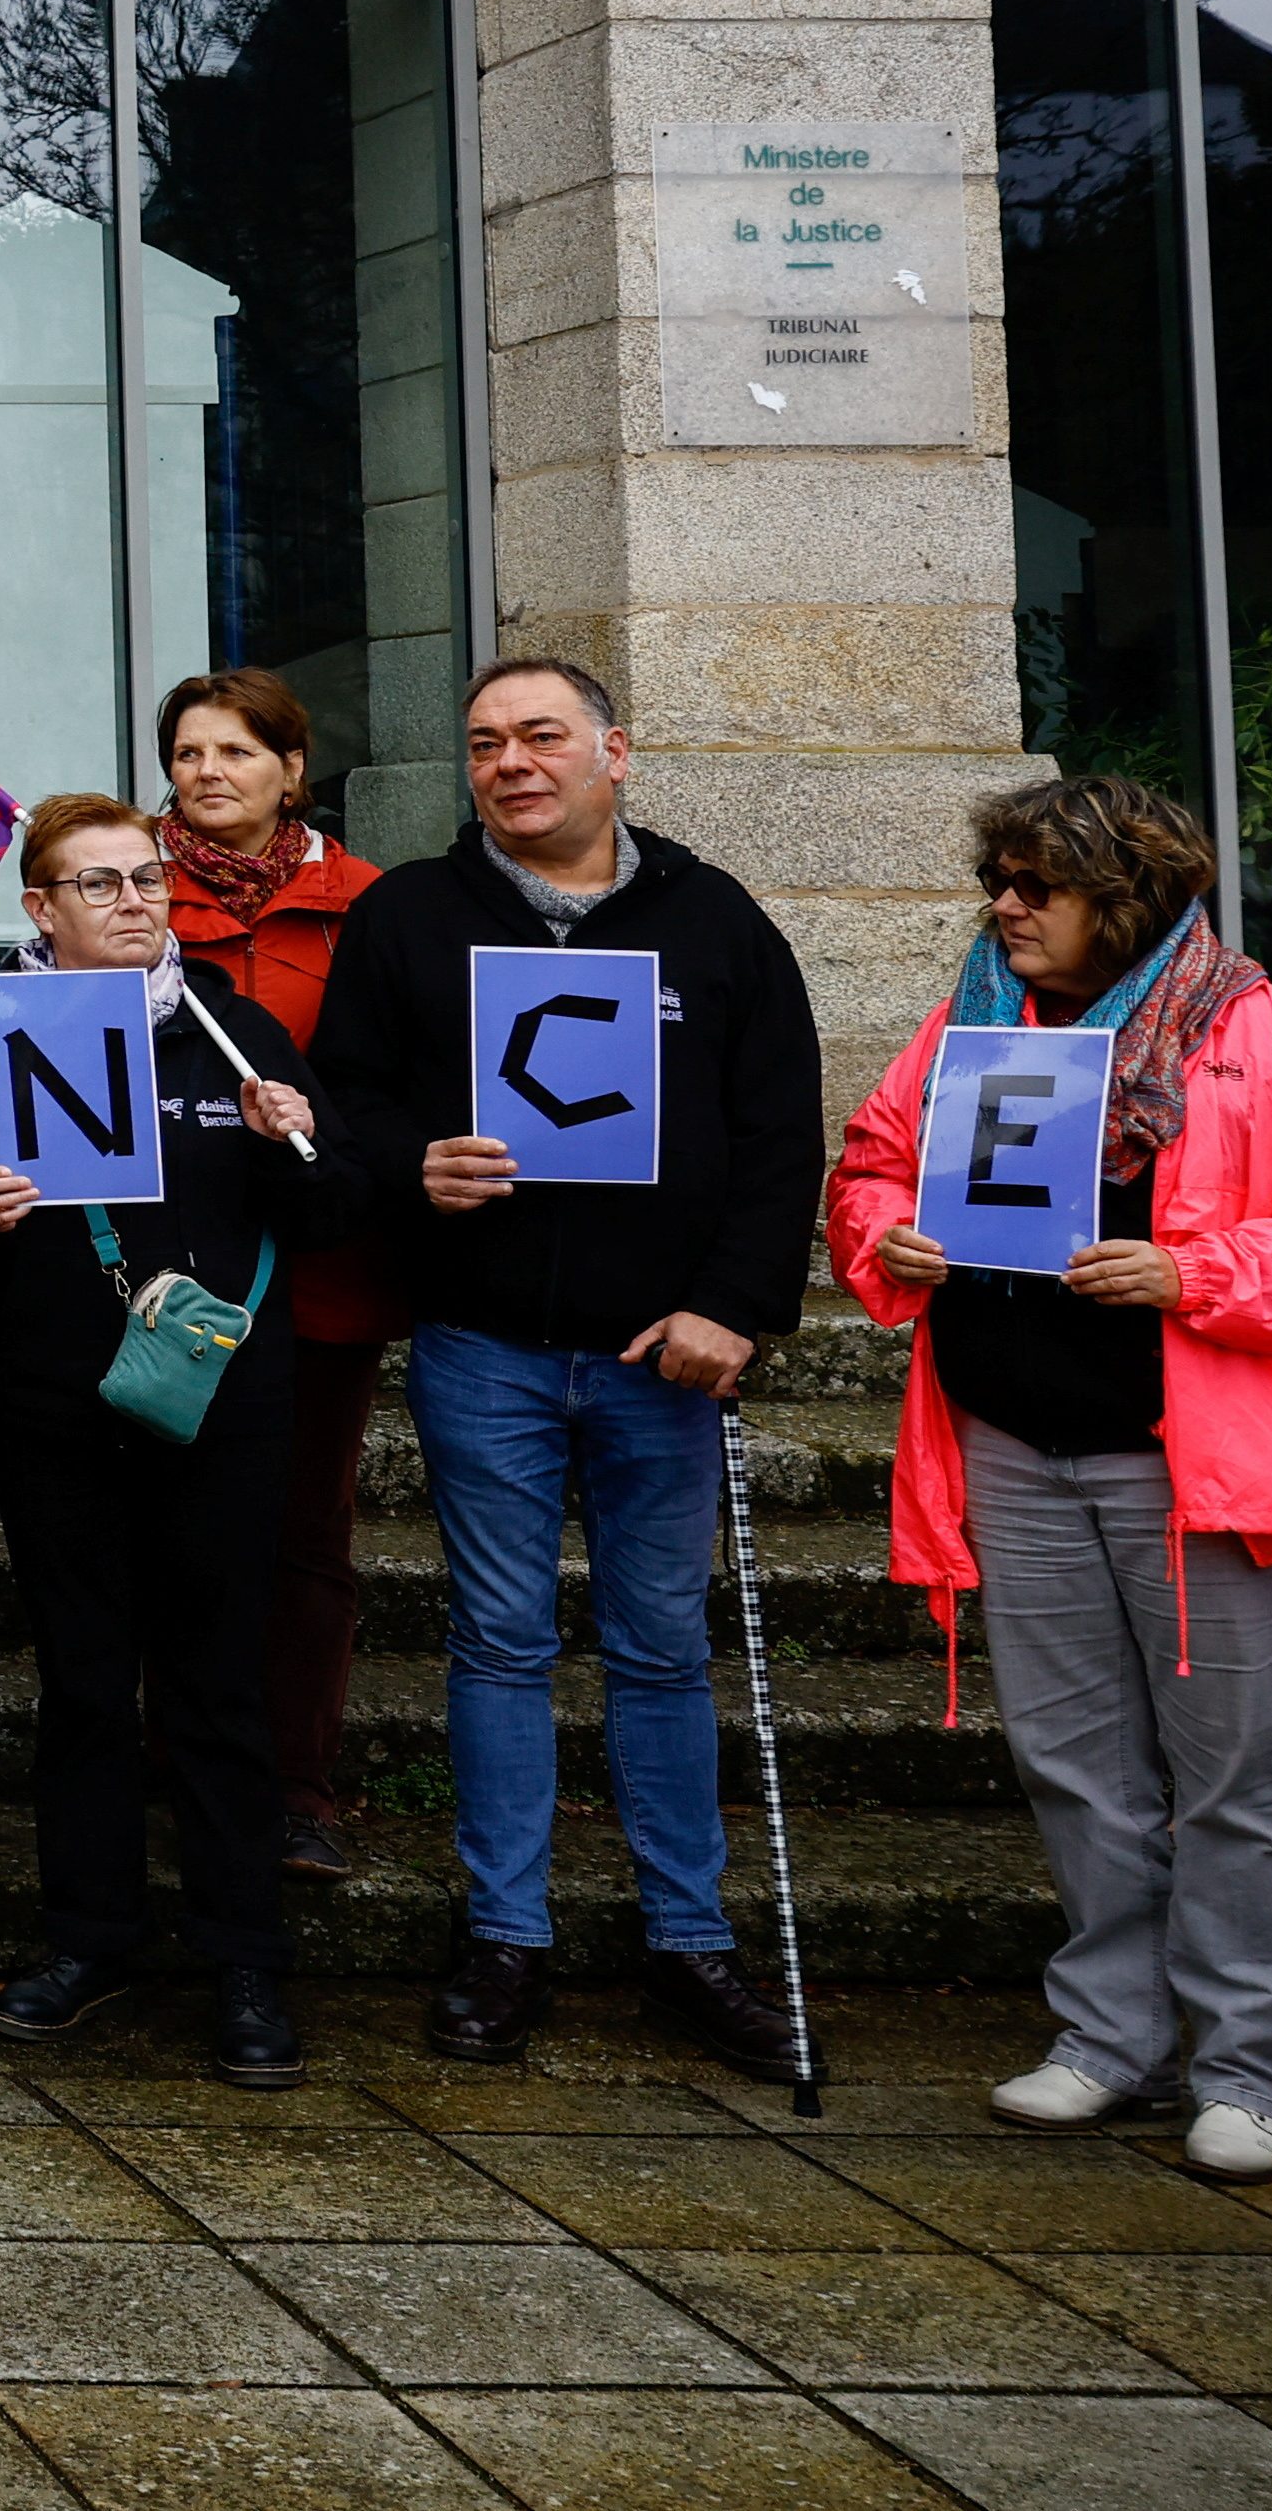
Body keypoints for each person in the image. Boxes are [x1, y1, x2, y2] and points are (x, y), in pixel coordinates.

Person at [826, 776, 1272, 2182]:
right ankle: (1109, 2039)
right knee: (1077, 1768)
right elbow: (873, 1165)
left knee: (1234, 1782)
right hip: (1013, 1449)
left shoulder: (1267, 1036)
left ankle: (1249, 2068)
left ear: (1122, 897)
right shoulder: (970, 1027)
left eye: (1037, 884)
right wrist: (890, 1235)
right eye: (1000, 881)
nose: (1004, 906)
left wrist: (1196, 1272)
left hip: (1197, 1468)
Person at [305, 657, 821, 2086]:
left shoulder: (712, 920)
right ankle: (506, 1933)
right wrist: (412, 1162)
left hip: (666, 1349)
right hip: (487, 1347)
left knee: (661, 1644)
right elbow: (343, 1100)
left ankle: (686, 1938)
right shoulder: (410, 915)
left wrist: (737, 1306)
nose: (511, 762)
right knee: (499, 1642)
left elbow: (781, 1131)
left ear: (616, 751)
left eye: (541, 735)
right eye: (483, 742)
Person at [0, 792, 350, 2090]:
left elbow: (331, 1205)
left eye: (144, 877)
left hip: (220, 1400)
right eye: (97, 883)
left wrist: (290, 1143)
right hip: (49, 1396)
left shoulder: (233, 1031)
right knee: (86, 1673)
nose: (134, 899)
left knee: (217, 1674)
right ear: (39, 908)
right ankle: (89, 1935)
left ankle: (245, 1951)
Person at [149, 667, 407, 1884]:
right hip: (169, 1271)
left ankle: (296, 1785)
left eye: (238, 753)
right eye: (190, 753)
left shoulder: (365, 909)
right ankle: (172, 1763)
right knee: (165, 1527)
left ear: (293, 771)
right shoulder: (125, 902)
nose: (209, 773)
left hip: (317, 1275)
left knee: (305, 1538)